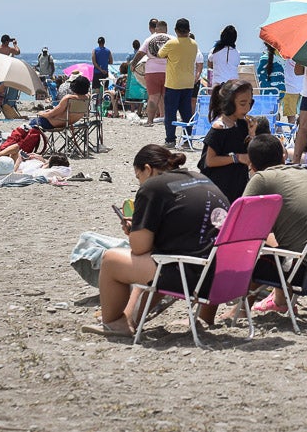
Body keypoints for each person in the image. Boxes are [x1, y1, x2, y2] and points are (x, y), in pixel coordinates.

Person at [83, 144, 229, 338]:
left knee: (110, 259)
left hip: (192, 277)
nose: (139, 184)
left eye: (138, 177)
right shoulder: (200, 178)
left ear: (148, 169)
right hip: (225, 275)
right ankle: (129, 318)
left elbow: (139, 248)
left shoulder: (153, 187)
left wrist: (134, 229)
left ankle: (112, 323)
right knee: (161, 256)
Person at [243, 133, 307, 316]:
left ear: (251, 163)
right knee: (283, 240)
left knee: (253, 252)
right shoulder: (299, 172)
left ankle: (240, 311)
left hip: (301, 272)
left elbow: (240, 220)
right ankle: (279, 301)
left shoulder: (262, 178)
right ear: (282, 156)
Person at [196, 79, 257, 201]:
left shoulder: (242, 124)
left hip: (237, 182)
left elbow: (249, 151)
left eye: (249, 103)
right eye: (242, 104)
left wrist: (252, 134)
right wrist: (237, 158)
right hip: (219, 185)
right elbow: (209, 161)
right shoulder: (219, 127)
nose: (247, 108)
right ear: (229, 104)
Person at [156, 19, 199, 149]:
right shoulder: (194, 44)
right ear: (189, 30)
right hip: (188, 82)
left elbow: (160, 54)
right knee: (186, 113)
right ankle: (187, 140)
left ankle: (170, 140)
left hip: (174, 83)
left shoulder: (172, 43)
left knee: (170, 113)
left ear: (176, 30)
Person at [129, 20, 169, 127]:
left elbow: (140, 53)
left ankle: (150, 121)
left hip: (152, 71)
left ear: (156, 29)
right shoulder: (172, 39)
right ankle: (166, 119)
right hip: (168, 71)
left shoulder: (149, 39)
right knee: (166, 97)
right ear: (166, 29)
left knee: (153, 97)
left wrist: (133, 65)